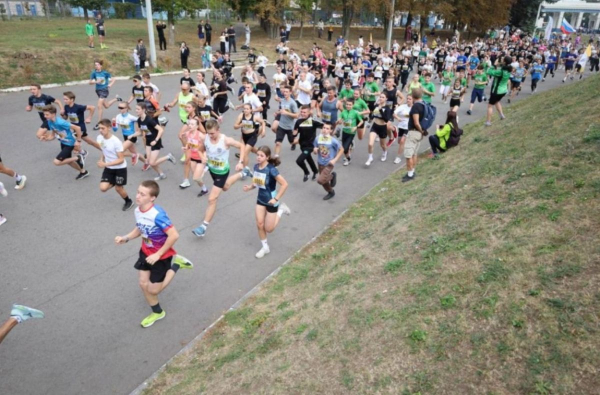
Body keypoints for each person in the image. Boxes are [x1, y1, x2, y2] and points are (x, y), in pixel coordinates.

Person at [115, 180, 193, 328]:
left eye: (142, 194)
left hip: (161, 257)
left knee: (154, 289)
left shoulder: (158, 215)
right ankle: (157, 312)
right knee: (143, 284)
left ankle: (177, 264)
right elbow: (140, 229)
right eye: (138, 192)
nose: (137, 196)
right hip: (145, 252)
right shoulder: (138, 210)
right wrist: (125, 238)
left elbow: (174, 235)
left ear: (152, 198)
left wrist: (158, 254)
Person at [192, 120, 252, 238]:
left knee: (212, 199)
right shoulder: (206, 139)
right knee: (225, 187)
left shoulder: (226, 140)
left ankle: (203, 227)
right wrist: (203, 157)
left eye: (213, 133)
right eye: (209, 133)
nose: (210, 136)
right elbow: (200, 150)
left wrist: (241, 162)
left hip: (223, 172)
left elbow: (242, 146)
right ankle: (243, 174)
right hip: (212, 171)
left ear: (218, 130)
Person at [243, 146, 291, 258]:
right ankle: (265, 248)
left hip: (271, 201)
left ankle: (281, 210)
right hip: (260, 199)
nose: (258, 157)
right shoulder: (256, 167)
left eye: (261, 155)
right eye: (257, 155)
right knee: (260, 224)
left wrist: (276, 199)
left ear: (267, 157)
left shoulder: (271, 169)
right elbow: (256, 183)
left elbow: (285, 184)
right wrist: (249, 187)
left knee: (269, 229)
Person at [40, 105, 88, 180]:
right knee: (68, 161)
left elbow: (78, 128)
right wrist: (46, 138)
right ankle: (83, 172)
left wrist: (78, 141)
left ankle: (77, 158)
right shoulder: (49, 122)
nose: (45, 116)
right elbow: (53, 135)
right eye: (44, 114)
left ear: (53, 114)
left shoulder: (60, 122)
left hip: (70, 143)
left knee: (57, 162)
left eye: (47, 114)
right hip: (63, 142)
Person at [95, 119, 134, 211]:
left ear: (109, 128)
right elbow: (103, 150)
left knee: (118, 188)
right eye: (99, 128)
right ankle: (113, 181)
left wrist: (105, 164)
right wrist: (101, 160)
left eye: (103, 128)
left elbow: (121, 159)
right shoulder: (99, 138)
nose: (100, 130)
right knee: (103, 188)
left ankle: (128, 201)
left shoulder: (116, 141)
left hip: (120, 168)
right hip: (109, 167)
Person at [135, 103, 175, 181]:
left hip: (155, 141)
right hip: (148, 142)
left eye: (138, 109)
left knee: (152, 163)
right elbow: (140, 132)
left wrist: (156, 140)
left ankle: (168, 157)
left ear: (143, 110)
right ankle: (161, 174)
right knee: (148, 161)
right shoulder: (139, 120)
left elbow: (160, 130)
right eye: (136, 109)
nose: (136, 111)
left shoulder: (149, 120)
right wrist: (132, 135)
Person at [313, 123, 343, 200]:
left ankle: (332, 176)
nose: (325, 130)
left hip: (329, 163)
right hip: (320, 162)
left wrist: (335, 160)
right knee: (324, 181)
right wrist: (315, 150)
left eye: (327, 128)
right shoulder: (318, 138)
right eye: (324, 128)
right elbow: (315, 148)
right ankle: (331, 192)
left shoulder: (333, 141)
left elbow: (341, 149)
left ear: (331, 131)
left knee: (320, 180)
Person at [403, 88, 426, 183]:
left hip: (414, 132)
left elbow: (416, 123)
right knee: (414, 153)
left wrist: (421, 131)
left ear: (412, 96)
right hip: (419, 133)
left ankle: (410, 174)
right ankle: (413, 171)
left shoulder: (416, 107)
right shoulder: (424, 104)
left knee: (408, 155)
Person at [181, 118, 209, 196]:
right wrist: (186, 147)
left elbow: (207, 146)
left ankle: (206, 166)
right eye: (189, 124)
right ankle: (204, 189)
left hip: (200, 158)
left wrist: (205, 157)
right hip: (193, 158)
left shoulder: (200, 136)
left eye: (192, 124)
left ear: (197, 126)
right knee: (196, 177)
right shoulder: (187, 134)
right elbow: (189, 143)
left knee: (196, 178)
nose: (190, 126)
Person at [294, 105, 322, 181]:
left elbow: (325, 126)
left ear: (309, 112)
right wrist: (294, 134)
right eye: (301, 112)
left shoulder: (313, 121)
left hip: (310, 146)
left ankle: (306, 172)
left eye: (304, 112)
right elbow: (295, 133)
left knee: (299, 161)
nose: (302, 114)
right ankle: (315, 171)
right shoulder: (298, 121)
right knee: (308, 159)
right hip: (302, 145)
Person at [89, 60, 120, 129]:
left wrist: (110, 85)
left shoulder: (105, 73)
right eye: (95, 65)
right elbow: (90, 82)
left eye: (97, 65)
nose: (96, 66)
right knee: (106, 106)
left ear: (101, 66)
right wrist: (96, 81)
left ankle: (99, 123)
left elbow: (113, 79)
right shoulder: (94, 73)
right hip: (98, 90)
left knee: (99, 105)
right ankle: (116, 99)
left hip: (104, 90)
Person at [366, 94, 392, 166]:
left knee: (383, 145)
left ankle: (385, 152)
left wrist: (380, 110)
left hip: (382, 127)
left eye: (383, 97)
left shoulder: (387, 108)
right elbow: (372, 116)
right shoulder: (376, 106)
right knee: (370, 144)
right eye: (380, 97)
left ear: (386, 99)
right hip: (375, 126)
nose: (381, 98)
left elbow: (386, 119)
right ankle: (370, 157)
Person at [485, 56, 511, 126]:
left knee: (490, 106)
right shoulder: (508, 69)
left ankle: (488, 121)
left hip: (497, 91)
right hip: (504, 90)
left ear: (505, 62)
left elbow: (489, 72)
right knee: (497, 101)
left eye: (502, 59)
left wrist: (494, 65)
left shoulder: (500, 71)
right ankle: (501, 115)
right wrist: (499, 64)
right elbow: (503, 67)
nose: (501, 60)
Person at [273, 85, 299, 157]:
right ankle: (276, 157)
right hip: (281, 125)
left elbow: (297, 115)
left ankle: (304, 140)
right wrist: (277, 112)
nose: (285, 93)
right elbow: (282, 110)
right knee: (278, 143)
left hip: (290, 126)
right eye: (284, 92)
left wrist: (287, 113)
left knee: (292, 142)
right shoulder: (282, 101)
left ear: (290, 92)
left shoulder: (292, 103)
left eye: (287, 92)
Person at [393, 94, 413, 164]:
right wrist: (398, 118)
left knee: (402, 141)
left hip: (409, 127)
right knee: (399, 142)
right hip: (401, 126)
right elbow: (394, 113)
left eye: (410, 99)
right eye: (407, 98)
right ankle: (406, 144)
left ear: (413, 100)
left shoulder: (414, 108)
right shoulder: (403, 107)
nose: (408, 100)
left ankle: (398, 157)